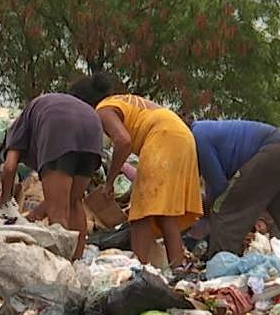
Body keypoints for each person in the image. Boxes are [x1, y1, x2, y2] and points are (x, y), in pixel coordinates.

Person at [69, 72, 201, 268]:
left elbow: (123, 141)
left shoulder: (102, 110)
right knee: (166, 214)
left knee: (141, 215)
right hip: (183, 137)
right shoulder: (120, 101)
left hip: (163, 137)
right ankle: (178, 270)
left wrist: (109, 182)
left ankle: (137, 270)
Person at [0, 92, 105, 257]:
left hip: (58, 126)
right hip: (92, 126)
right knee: (74, 201)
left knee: (58, 211)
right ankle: (76, 262)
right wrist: (33, 215)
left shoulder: (15, 129)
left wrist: (5, 201)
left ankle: (61, 269)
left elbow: (9, 167)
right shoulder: (38, 112)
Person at [189, 118, 280, 257]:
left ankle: (221, 266)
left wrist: (207, 210)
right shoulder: (209, 130)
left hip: (275, 152)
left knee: (226, 210)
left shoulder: (197, 136)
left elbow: (219, 187)